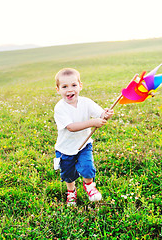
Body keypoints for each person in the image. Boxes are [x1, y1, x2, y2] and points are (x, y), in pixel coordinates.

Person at [53, 68, 114, 206]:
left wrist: (106, 114)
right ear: (58, 90)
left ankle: (90, 187)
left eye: (74, 85)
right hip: (65, 149)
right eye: (64, 87)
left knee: (87, 167)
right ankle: (71, 192)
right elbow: (71, 127)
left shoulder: (86, 102)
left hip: (84, 144)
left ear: (80, 85)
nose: (70, 90)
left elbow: (100, 115)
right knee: (68, 174)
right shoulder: (60, 108)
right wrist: (93, 122)